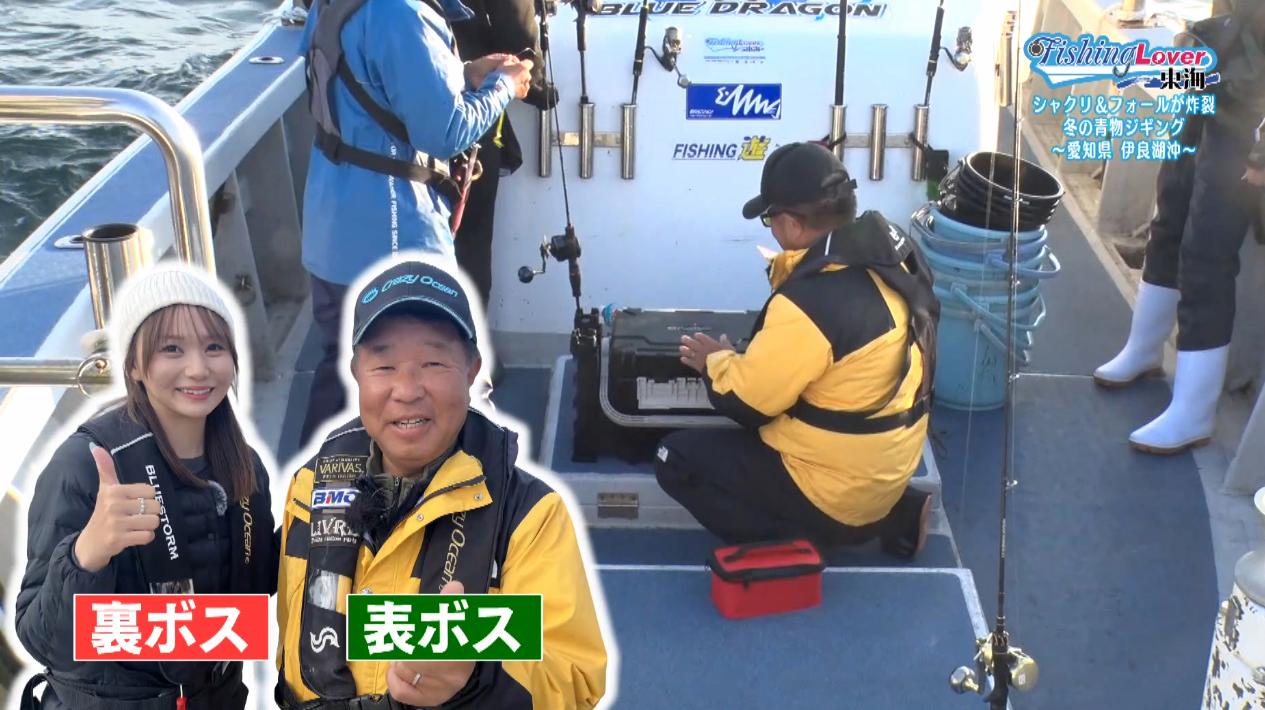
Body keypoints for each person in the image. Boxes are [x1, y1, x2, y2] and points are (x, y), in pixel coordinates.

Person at [276, 258, 607, 708]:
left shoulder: (530, 516)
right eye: (384, 366)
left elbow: (574, 678)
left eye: (433, 362)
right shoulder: (309, 487)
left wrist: (476, 678)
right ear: (355, 373)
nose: (407, 389)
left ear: (472, 371)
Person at [652, 142, 940, 559]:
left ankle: (809, 543)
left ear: (790, 223)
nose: (770, 228)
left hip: (834, 493)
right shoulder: (887, 262)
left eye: (770, 218)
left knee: (674, 458)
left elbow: (749, 403)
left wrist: (715, 361)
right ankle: (897, 515)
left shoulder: (809, 304)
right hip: (886, 474)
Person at [15, 265, 277, 709]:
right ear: (135, 365)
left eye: (214, 347)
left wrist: (320, 528)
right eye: (171, 349)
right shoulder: (85, 465)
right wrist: (87, 553)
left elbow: (255, 585)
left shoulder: (243, 465)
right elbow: (42, 641)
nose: (198, 369)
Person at [298, 0, 535, 447]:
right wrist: (503, 87)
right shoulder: (401, 12)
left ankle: (315, 487)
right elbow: (445, 132)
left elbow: (364, 77)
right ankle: (483, 482)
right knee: (450, 381)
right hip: (396, 242)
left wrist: (464, 74)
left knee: (345, 377)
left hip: (332, 237)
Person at [1093, 0, 1265, 454]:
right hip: (1212, 85)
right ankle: (1144, 348)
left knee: (1208, 253)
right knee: (1169, 215)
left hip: (1251, 118)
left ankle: (1194, 409)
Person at [450, 0, 556, 312]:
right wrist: (538, 88)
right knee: (470, 246)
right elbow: (516, 29)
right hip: (467, 121)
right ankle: (467, 338)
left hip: (383, 138)